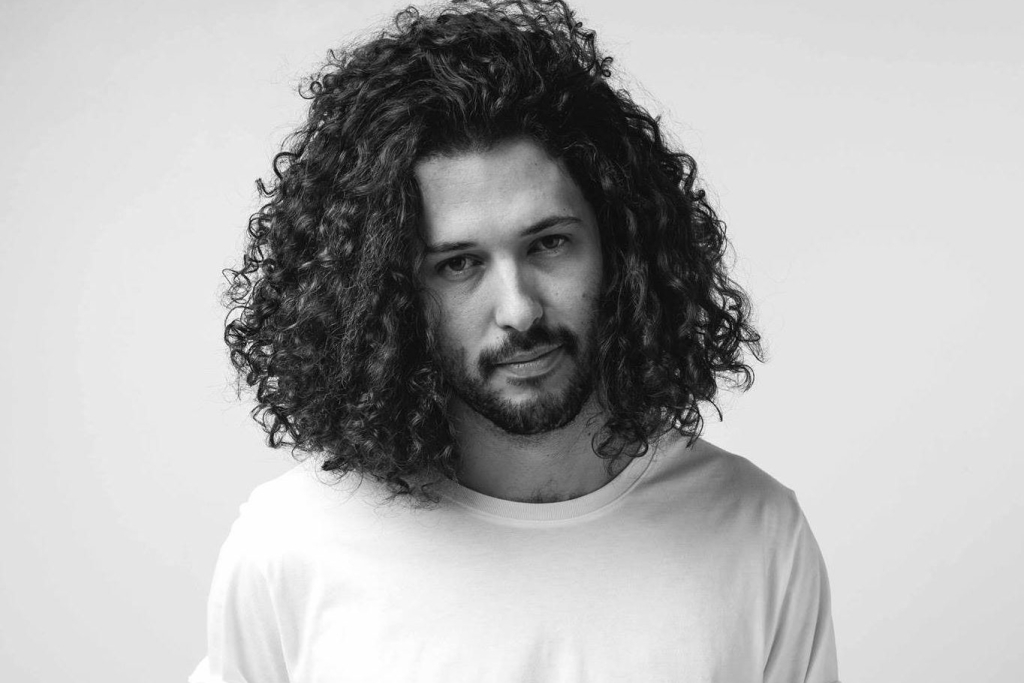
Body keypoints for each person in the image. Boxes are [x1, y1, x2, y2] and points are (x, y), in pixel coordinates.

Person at [192, 1, 840, 681]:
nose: (519, 309)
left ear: (622, 248)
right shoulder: (292, 546)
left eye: (550, 243)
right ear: (386, 291)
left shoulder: (756, 531)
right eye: (458, 264)